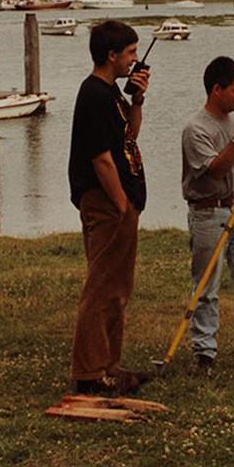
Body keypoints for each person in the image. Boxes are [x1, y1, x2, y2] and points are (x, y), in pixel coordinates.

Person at [67, 20, 151, 396]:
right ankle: (88, 373)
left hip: (121, 201)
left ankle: (109, 366)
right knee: (101, 286)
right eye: (130, 53)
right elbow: (101, 158)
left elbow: (128, 137)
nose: (134, 59)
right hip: (106, 202)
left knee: (118, 287)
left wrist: (137, 100)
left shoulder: (113, 94)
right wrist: (120, 205)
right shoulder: (94, 94)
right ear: (111, 55)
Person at [181, 56, 234, 372]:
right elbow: (215, 170)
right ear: (216, 90)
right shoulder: (196, 129)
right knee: (206, 285)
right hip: (208, 213)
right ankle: (204, 352)